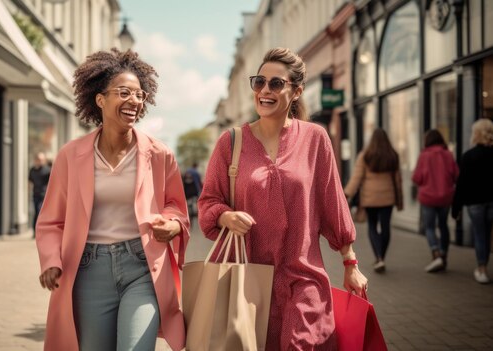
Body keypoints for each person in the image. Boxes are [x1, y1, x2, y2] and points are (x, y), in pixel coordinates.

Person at [198, 47, 368, 350]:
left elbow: (334, 203)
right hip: (248, 280)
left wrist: (350, 263)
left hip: (304, 277)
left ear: (297, 91)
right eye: (259, 82)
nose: (265, 90)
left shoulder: (315, 139)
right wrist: (225, 216)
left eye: (276, 84)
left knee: (301, 343)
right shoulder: (231, 142)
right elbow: (209, 201)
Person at [35, 48, 190, 351]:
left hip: (142, 267)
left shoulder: (159, 155)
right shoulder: (71, 155)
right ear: (100, 99)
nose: (134, 100)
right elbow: (52, 219)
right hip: (88, 269)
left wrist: (172, 224)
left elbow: (177, 209)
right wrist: (51, 260)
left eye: (139, 95)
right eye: (124, 93)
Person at [344, 128, 403, 273]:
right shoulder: (392, 155)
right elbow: (398, 180)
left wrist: (346, 194)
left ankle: (378, 258)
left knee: (372, 226)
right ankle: (381, 256)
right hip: (387, 198)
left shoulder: (366, 155)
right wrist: (399, 199)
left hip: (370, 199)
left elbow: (356, 178)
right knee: (385, 227)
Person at [452, 118, 493, 284]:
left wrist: (456, 208)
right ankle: (483, 266)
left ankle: (482, 269)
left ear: (476, 134)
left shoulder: (468, 156)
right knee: (487, 234)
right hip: (491, 201)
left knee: (480, 235)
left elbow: (462, 184)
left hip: (474, 203)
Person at [412, 129, 459, 273]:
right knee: (443, 225)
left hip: (428, 197)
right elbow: (456, 175)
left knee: (430, 227)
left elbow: (416, 178)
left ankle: (436, 253)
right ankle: (443, 255)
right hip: (445, 197)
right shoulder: (448, 154)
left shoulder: (424, 156)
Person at [28, 152, 51, 238]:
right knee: (36, 213)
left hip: (45, 196)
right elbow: (30, 182)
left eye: (41, 160)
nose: (40, 161)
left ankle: (42, 232)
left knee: (40, 212)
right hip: (35, 195)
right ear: (35, 160)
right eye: (38, 159)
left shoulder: (47, 170)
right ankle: (35, 232)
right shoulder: (32, 170)